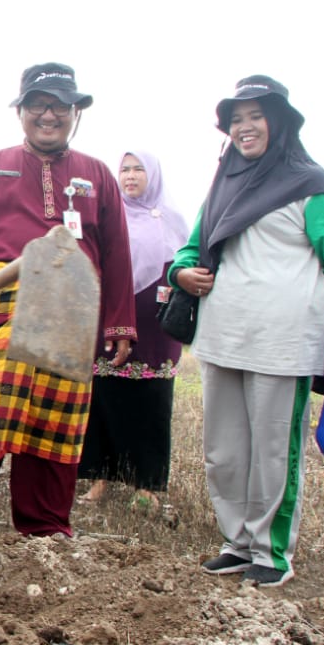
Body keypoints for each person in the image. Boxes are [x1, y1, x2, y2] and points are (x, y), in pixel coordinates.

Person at [170, 76, 324, 588]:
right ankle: (237, 543)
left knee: (274, 450)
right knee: (225, 450)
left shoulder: (312, 185)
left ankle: (272, 553)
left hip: (283, 344)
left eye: (256, 116)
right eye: (236, 119)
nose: (245, 127)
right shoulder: (222, 187)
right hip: (221, 338)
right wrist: (181, 274)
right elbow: (192, 249)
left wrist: (314, 318)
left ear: (279, 122)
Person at [0, 63, 136, 543]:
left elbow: (116, 252)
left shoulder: (98, 175)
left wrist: (119, 324)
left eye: (59, 106)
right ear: (21, 111)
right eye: (38, 105)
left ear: (75, 113)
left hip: (72, 306)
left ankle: (44, 528)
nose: (49, 115)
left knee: (55, 421)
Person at [78, 150, 190, 510]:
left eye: (138, 169)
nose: (129, 176)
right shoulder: (109, 216)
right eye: (124, 169)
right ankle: (100, 478)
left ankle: (148, 485)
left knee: (151, 403)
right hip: (109, 316)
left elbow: (183, 266)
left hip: (156, 324)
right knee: (105, 398)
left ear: (152, 175)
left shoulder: (172, 218)